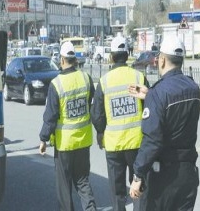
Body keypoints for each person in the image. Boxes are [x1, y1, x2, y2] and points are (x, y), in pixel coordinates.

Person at [129, 36, 200, 211]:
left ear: (161, 60)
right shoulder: (193, 88)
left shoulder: (158, 93)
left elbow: (152, 140)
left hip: (164, 177)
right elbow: (175, 107)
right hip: (188, 172)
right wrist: (151, 95)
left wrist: (137, 176)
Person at [91, 35, 149, 211]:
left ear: (111, 56)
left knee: (117, 193)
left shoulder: (104, 81)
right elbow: (149, 107)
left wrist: (100, 133)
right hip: (137, 143)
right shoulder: (139, 77)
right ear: (127, 54)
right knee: (138, 187)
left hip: (114, 146)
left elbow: (97, 114)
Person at [39, 41, 97, 211]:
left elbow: (51, 116)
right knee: (83, 182)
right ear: (75, 59)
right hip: (83, 141)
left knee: (64, 188)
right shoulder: (86, 78)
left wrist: (43, 139)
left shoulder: (57, 84)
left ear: (62, 60)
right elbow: (91, 105)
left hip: (64, 145)